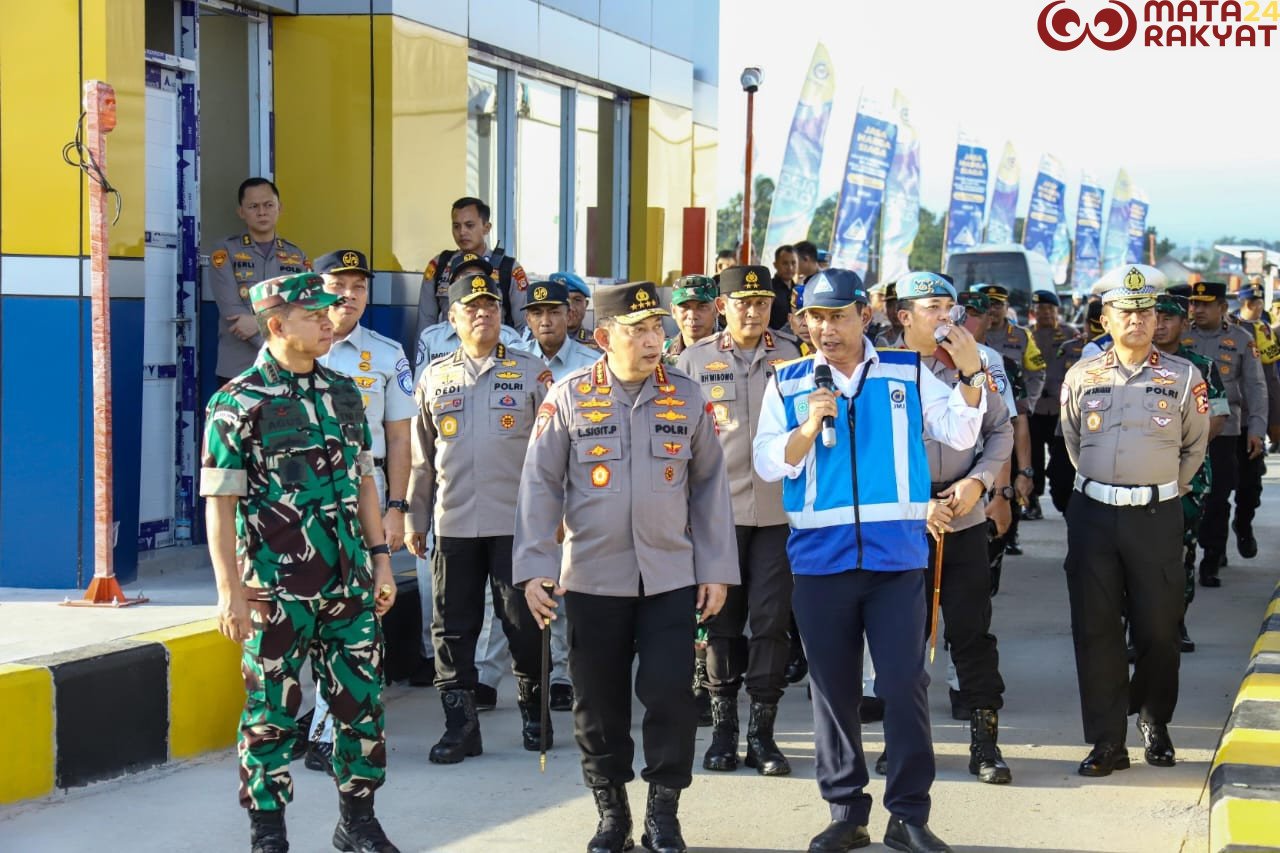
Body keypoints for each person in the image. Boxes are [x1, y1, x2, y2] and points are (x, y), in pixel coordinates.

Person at [753, 268, 986, 853]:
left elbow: (960, 431)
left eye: (836, 316)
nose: (824, 329)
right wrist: (808, 426)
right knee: (832, 691)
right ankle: (844, 810)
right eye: (813, 317)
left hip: (895, 561)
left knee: (904, 684)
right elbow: (766, 463)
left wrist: (972, 374)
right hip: (820, 563)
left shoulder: (905, 372)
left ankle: (908, 814)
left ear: (865, 313)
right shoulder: (788, 382)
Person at [515, 280, 738, 853]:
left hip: (670, 576)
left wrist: (715, 567)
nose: (653, 338)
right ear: (603, 335)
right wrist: (536, 565)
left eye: (656, 327)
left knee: (670, 696)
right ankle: (611, 811)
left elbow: (711, 487)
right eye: (637, 329)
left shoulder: (687, 397)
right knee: (598, 702)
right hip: (591, 577)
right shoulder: (566, 396)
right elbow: (539, 486)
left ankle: (664, 810)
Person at [200, 272, 400, 853]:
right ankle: (268, 833)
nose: (328, 320)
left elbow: (366, 480)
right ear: (278, 324)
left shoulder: (341, 391)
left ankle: (357, 822)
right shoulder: (237, 402)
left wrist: (381, 561)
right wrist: (229, 592)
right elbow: (221, 504)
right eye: (314, 313)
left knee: (361, 704)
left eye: (328, 311)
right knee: (271, 716)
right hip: (275, 589)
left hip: (349, 584)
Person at [1059, 265, 1209, 777]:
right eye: (1126, 311)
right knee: (1095, 630)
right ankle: (1106, 741)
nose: (1138, 320)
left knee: (1159, 629)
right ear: (1106, 318)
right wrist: (1103, 486)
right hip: (1094, 516)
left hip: (1156, 514)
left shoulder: (1185, 376)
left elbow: (1195, 447)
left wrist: (1162, 486)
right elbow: (1073, 442)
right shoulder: (1083, 375)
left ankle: (1154, 719)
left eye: (1146, 312)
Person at [405, 271, 552, 763]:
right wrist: (414, 519)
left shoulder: (532, 373)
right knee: (451, 629)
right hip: (453, 525)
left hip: (517, 526)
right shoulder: (434, 377)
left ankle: (535, 714)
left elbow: (552, 458)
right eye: (471, 307)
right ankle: (460, 727)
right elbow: (422, 459)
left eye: (489, 305)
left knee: (524, 624)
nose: (482, 312)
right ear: (452, 318)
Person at [676, 265, 802, 778]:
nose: (753, 311)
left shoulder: (792, 356)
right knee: (721, 623)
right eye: (742, 302)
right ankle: (724, 730)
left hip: (777, 513)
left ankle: (762, 735)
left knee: (771, 623)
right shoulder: (691, 360)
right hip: (716, 514)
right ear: (722, 307)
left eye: (762, 302)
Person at [895, 272, 1015, 786]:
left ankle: (985, 742)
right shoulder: (882, 367)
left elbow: (1000, 430)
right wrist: (916, 502)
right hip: (902, 520)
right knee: (902, 640)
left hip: (963, 511)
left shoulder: (981, 362)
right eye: (931, 307)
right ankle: (905, 745)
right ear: (904, 317)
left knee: (970, 631)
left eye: (949, 305)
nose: (945, 316)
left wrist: (981, 483)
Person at [303, 249, 418, 772]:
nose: (348, 295)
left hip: (361, 497)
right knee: (304, 611)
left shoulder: (387, 354)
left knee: (357, 612)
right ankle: (317, 717)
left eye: (359, 286)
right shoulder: (294, 345)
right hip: (299, 503)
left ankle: (330, 726)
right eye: (338, 283)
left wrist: (397, 507)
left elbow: (399, 438)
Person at [471, 280, 597, 713]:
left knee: (561, 583)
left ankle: (559, 673)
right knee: (505, 591)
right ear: (526, 319)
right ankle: (486, 674)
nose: (546, 320)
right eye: (537, 313)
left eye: (555, 312)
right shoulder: (511, 360)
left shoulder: (591, 363)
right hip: (516, 491)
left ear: (570, 314)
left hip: (575, 486)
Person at [1152, 292, 1228, 653]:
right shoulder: (1128, 363)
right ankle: (1137, 625)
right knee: (1135, 554)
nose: (1161, 324)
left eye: (1169, 318)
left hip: (1187, 477)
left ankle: (1174, 621)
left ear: (1185, 324)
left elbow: (1218, 416)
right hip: (1136, 476)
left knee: (1180, 552)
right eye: (1156, 317)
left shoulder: (1201, 366)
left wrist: (1185, 448)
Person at [1184, 280, 1267, 586]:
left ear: (1222, 307)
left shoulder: (1243, 339)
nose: (1198, 309)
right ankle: (1190, 552)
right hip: (1184, 428)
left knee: (1218, 497)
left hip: (1226, 429)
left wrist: (1257, 429)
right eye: (1194, 303)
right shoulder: (1181, 336)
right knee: (1188, 494)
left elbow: (1256, 389)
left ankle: (1211, 558)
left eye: (1205, 304)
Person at [207, 178, 309, 386]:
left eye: (268, 205)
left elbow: (302, 307)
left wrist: (257, 324)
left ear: (279, 208)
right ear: (241, 212)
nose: (261, 212)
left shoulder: (296, 255)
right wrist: (275, 342)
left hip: (286, 366)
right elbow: (232, 311)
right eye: (253, 206)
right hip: (238, 368)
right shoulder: (225, 251)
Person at [974, 284, 1038, 551]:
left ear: (989, 319)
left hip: (991, 471)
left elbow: (1015, 422)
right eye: (961, 315)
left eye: (976, 315)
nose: (967, 323)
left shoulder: (1001, 364)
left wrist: (1024, 472)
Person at [415, 196, 530, 339]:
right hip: (448, 353)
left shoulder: (508, 269)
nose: (462, 232)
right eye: (456, 226)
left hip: (496, 352)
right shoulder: (440, 265)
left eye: (469, 225)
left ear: (486, 228)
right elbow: (425, 323)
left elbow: (524, 327)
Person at [1227, 284, 1279, 558]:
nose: (1256, 305)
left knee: (1250, 486)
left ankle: (1243, 525)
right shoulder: (1224, 325)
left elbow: (1270, 380)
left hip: (1250, 420)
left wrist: (1274, 420)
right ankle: (1213, 548)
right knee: (1216, 490)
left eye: (1259, 301)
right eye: (1251, 301)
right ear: (1240, 301)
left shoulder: (1263, 331)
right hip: (1221, 422)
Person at [415, 254, 526, 370]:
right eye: (466, 276)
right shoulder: (432, 339)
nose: (475, 281)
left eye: (481, 276)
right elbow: (420, 385)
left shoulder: (508, 337)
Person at [1028, 290, 1077, 519]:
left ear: (1057, 311)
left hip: (1061, 411)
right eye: (1040, 309)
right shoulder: (1028, 335)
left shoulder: (1070, 336)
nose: (1045, 313)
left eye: (1049, 309)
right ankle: (1033, 500)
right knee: (1034, 458)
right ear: (1034, 312)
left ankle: (1067, 501)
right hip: (1035, 408)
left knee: (1062, 459)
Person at [664, 275, 720, 364]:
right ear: (673, 311)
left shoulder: (733, 353)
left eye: (702, 307)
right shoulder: (660, 354)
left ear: (717, 309)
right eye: (685, 307)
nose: (692, 316)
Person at [554, 271, 602, 352]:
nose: (571, 308)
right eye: (565, 300)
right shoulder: (536, 341)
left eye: (577, 300)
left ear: (586, 304)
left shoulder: (599, 344)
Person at [770, 245, 799, 330]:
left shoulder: (799, 290)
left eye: (793, 263)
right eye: (785, 263)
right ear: (775, 265)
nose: (790, 268)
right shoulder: (769, 288)